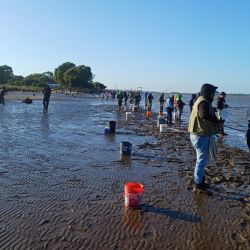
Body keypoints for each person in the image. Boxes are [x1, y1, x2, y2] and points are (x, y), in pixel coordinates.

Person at [188, 83, 221, 191]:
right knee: (201, 160)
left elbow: (204, 114)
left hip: (198, 135)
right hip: (199, 136)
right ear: (208, 93)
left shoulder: (201, 100)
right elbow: (204, 115)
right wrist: (217, 121)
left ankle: (199, 178)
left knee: (202, 159)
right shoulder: (203, 102)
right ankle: (198, 182)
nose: (214, 95)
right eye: (213, 93)